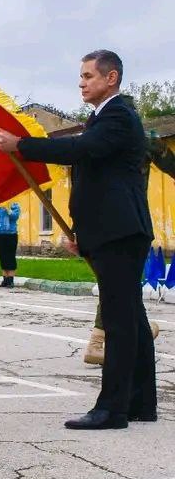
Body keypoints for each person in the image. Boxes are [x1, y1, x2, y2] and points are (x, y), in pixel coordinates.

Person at [0, 49, 154, 430]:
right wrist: (83, 231)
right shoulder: (100, 118)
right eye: (80, 77)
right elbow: (93, 178)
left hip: (121, 231)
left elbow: (81, 151)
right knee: (131, 317)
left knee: (118, 320)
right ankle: (140, 401)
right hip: (111, 231)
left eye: (88, 76)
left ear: (110, 78)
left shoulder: (118, 114)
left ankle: (111, 409)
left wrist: (23, 145)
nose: (81, 83)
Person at [83, 127, 172, 365]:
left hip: (98, 220)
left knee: (116, 282)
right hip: (130, 221)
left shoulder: (94, 138)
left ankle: (134, 333)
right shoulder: (144, 139)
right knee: (120, 283)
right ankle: (102, 342)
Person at [0, 202, 20, 288]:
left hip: (11, 234)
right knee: (2, 256)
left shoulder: (14, 206)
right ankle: (5, 279)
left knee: (10, 256)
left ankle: (10, 279)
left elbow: (15, 216)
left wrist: (8, 210)